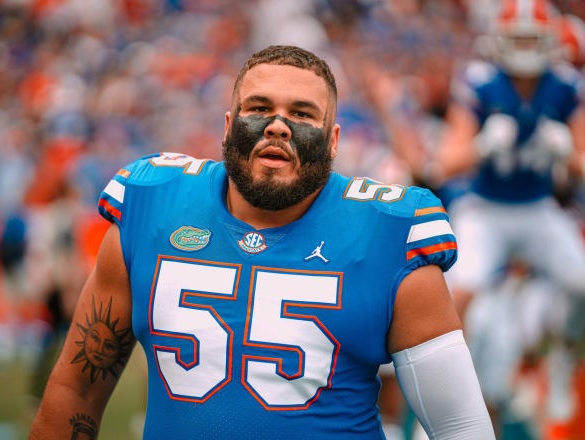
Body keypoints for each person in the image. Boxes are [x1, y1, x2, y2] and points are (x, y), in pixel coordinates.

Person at [29, 45, 494, 439]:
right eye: (259, 108)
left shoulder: (389, 233)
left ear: (333, 142)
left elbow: (461, 429)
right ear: (229, 125)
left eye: (301, 113)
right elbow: (78, 389)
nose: (277, 126)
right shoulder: (153, 206)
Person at [433, 0, 585, 428]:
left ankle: (561, 357)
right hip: (486, 208)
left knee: (581, 283)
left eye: (530, 39)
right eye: (516, 38)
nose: (523, 48)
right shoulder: (480, 83)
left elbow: (583, 160)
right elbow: (444, 160)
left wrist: (569, 155)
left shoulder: (566, 85)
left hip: (537, 208)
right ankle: (445, 395)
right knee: (461, 293)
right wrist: (481, 146)